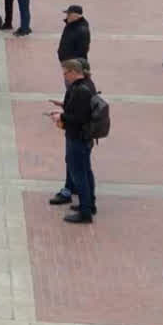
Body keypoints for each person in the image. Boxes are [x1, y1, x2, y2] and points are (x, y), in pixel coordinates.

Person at [48, 59, 99, 224]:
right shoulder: (87, 85)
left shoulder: (80, 90)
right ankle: (89, 204)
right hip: (84, 137)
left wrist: (61, 116)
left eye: (65, 73)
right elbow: (81, 109)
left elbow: (79, 117)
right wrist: (64, 105)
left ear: (73, 72)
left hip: (77, 137)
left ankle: (85, 212)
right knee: (86, 171)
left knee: (79, 174)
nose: (64, 77)